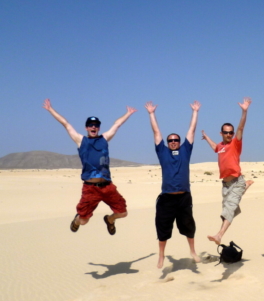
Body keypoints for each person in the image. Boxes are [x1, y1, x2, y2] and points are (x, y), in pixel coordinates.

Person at [42, 99, 137, 234]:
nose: (93, 127)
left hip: (107, 186)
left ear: (98, 127)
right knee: (84, 221)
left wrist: (128, 113)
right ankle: (76, 220)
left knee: (122, 213)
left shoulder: (104, 139)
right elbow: (66, 124)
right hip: (90, 189)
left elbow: (117, 124)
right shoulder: (81, 140)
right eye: (91, 125)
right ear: (86, 127)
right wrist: (50, 109)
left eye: (96, 125)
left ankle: (110, 220)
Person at [144, 100, 202, 268]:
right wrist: (151, 114)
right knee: (162, 228)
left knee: (189, 226)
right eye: (171, 140)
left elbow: (191, 130)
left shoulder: (185, 150)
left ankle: (192, 251)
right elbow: (156, 132)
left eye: (176, 139)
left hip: (184, 197)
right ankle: (161, 256)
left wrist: (195, 112)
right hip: (167, 198)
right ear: (167, 143)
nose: (174, 142)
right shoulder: (162, 152)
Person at [201, 97, 254, 245]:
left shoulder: (235, 144)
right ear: (221, 133)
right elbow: (214, 148)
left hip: (236, 181)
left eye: (231, 132)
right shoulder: (220, 146)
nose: (229, 134)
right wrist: (206, 138)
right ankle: (246, 186)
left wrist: (244, 112)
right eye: (226, 132)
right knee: (226, 209)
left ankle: (219, 235)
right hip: (225, 186)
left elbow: (241, 128)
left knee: (229, 210)